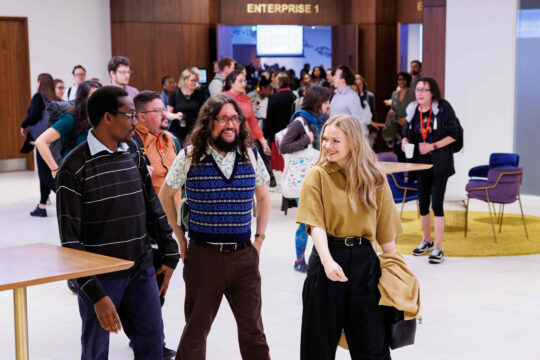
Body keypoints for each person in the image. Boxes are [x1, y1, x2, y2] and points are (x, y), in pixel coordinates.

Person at [56, 85, 180, 359]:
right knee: (96, 351)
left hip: (141, 268)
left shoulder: (133, 150)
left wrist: (170, 252)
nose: (135, 122)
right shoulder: (73, 168)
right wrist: (95, 295)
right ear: (107, 118)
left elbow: (152, 205)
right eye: (129, 115)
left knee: (151, 341)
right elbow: (70, 243)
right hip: (101, 279)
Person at [158, 93, 272, 360]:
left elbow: (264, 197)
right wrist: (180, 239)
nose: (230, 124)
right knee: (196, 331)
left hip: (244, 256)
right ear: (209, 122)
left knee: (253, 331)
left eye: (235, 118)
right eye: (222, 118)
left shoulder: (250, 154)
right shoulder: (190, 155)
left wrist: (259, 240)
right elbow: (165, 196)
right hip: (204, 256)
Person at [297, 114, 402, 360]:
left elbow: (386, 235)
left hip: (365, 265)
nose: (327, 146)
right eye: (325, 139)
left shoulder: (375, 178)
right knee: (317, 348)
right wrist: (326, 261)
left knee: (373, 348)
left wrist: (397, 275)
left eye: (336, 141)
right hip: (327, 261)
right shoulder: (317, 175)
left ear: (353, 142)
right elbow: (315, 224)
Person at [133, 90, 181, 359]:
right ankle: (149, 339)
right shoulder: (132, 142)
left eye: (164, 109)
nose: (165, 114)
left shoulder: (169, 139)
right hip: (146, 225)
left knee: (162, 282)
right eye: (157, 111)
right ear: (141, 116)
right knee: (150, 286)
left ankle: (148, 336)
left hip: (169, 223)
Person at [402, 77, 459, 264]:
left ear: (432, 92)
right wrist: (404, 143)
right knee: (423, 203)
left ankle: (439, 247)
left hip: (439, 163)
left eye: (424, 90)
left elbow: (453, 135)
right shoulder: (412, 110)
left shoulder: (443, 108)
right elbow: (407, 134)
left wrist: (432, 146)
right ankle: (426, 240)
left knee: (438, 204)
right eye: (417, 89)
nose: (419, 93)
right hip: (420, 164)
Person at [279, 86, 330, 273]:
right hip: (304, 180)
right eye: (326, 101)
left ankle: (320, 258)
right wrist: (305, 141)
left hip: (321, 176)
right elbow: (283, 147)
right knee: (308, 221)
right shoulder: (300, 122)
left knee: (320, 221)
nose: (328, 105)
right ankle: (299, 260)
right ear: (318, 102)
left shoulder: (323, 120)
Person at [35, 80, 102, 178]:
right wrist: (55, 170)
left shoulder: (100, 117)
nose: (97, 99)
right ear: (84, 98)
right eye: (92, 95)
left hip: (95, 171)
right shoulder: (70, 118)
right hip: (75, 172)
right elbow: (40, 142)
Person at [20, 73, 59, 217]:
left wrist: (23, 125)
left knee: (44, 174)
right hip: (53, 139)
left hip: (42, 140)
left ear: (39, 83)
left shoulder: (38, 97)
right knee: (46, 173)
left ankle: (67, 197)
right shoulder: (54, 98)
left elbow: (34, 116)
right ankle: (41, 206)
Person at [224, 70, 271, 155]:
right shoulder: (223, 98)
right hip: (230, 143)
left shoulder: (246, 99)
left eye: (244, 81)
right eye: (240, 81)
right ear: (231, 83)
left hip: (247, 142)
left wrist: (263, 141)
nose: (244, 84)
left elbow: (252, 121)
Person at [330, 66, 383, 139]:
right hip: (335, 136)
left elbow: (358, 121)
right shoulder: (336, 95)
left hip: (346, 138)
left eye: (336, 75)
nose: (333, 78)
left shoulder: (352, 96)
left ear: (343, 79)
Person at [264, 72, 297, 177]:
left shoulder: (274, 97)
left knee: (278, 165)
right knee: (289, 163)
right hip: (291, 134)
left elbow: (269, 119)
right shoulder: (294, 96)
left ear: (279, 83)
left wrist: (265, 135)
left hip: (277, 135)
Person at [166, 68, 206, 146]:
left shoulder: (200, 94)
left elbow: (205, 112)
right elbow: (168, 114)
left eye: (196, 80)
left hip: (195, 131)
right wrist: (176, 116)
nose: (195, 83)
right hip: (179, 132)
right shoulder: (175, 94)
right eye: (193, 80)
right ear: (184, 80)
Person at [383, 72, 415, 162]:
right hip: (396, 126)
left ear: (407, 80)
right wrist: (391, 112)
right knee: (397, 153)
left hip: (408, 125)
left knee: (407, 153)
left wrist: (406, 120)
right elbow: (392, 108)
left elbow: (415, 108)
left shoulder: (412, 93)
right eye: (399, 79)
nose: (401, 81)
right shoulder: (394, 94)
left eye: (403, 79)